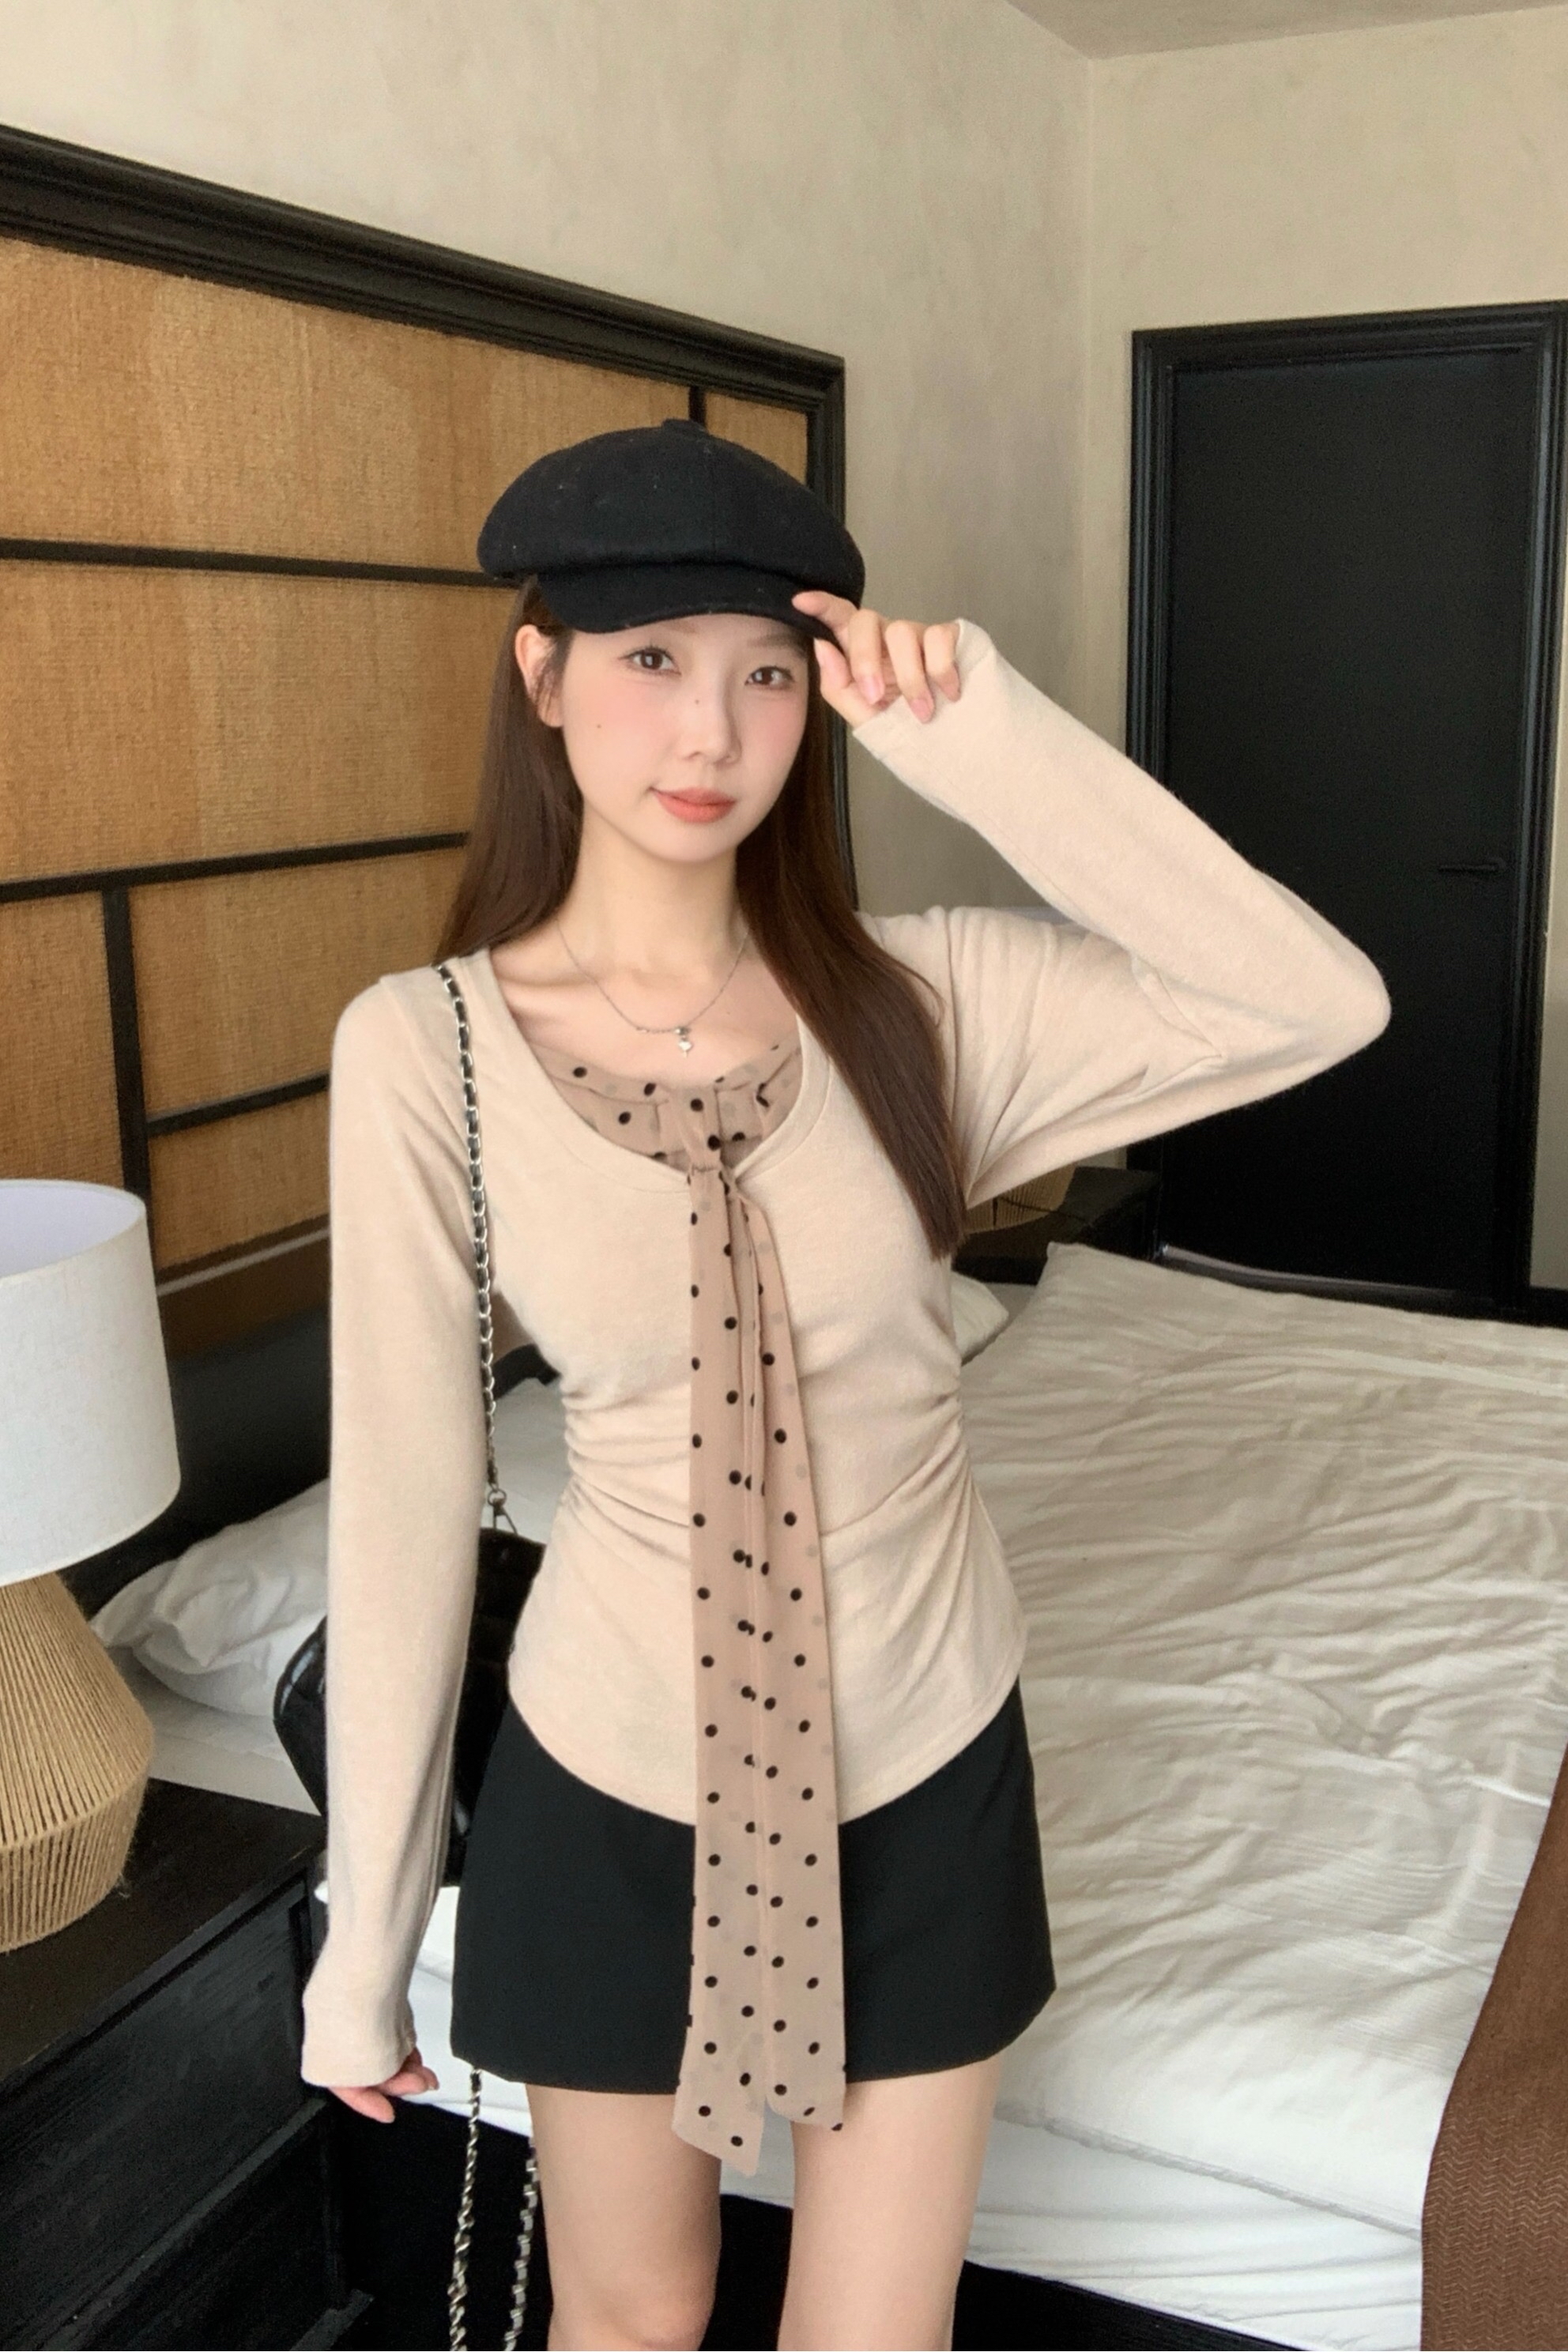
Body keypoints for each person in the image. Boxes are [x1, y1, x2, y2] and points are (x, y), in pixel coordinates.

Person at [298, 419, 1389, 2350]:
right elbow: (398, 1506)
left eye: (766, 674)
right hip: (610, 1780)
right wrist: (363, 1941)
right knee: (631, 2320)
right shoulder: (423, 1050)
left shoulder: (927, 1004)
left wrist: (987, 744)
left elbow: (1317, 1001)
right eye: (649, 660)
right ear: (541, 676)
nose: (707, 732)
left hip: (919, 1763)